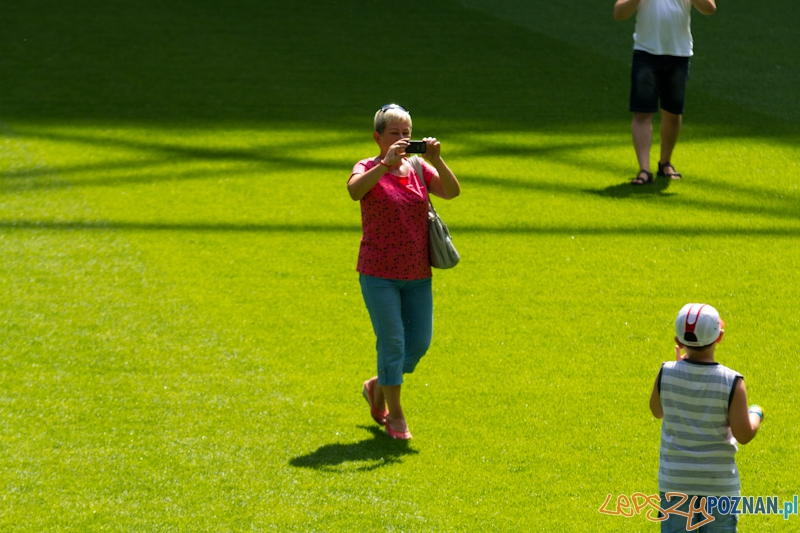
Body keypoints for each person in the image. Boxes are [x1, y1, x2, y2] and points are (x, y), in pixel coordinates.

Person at [348, 104, 461, 440]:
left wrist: (438, 159)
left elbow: (452, 192)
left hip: (417, 274)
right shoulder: (367, 167)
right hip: (378, 273)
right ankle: (395, 417)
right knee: (393, 342)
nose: (402, 139)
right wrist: (384, 164)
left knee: (419, 343)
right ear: (378, 137)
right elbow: (354, 191)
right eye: (394, 133)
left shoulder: (418, 167)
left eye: (406, 133)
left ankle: (376, 385)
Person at [649, 304, 764, 532]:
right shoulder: (732, 381)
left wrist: (677, 369)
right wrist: (756, 414)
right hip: (718, 488)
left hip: (675, 486)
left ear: (678, 341)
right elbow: (743, 435)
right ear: (719, 337)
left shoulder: (666, 372)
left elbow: (657, 411)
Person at [613, 0, 717, 185]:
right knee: (642, 113)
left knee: (673, 113)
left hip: (679, 54)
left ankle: (665, 163)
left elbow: (709, 9)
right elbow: (619, 13)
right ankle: (644, 170)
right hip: (646, 53)